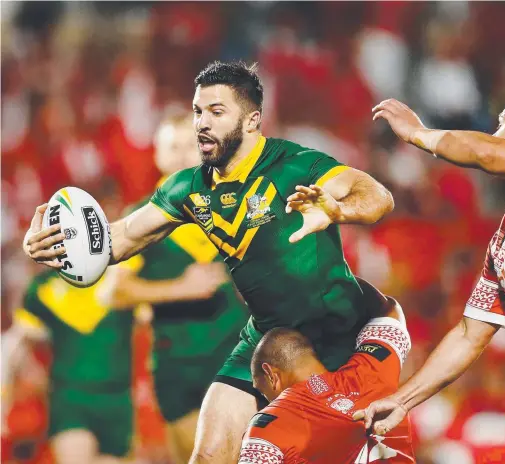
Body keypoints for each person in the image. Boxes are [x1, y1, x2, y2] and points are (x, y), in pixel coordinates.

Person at [23, 60, 395, 464]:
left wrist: (337, 212)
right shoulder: (188, 187)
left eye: (217, 112)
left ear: (252, 120)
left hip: (334, 339)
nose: (201, 123)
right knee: (209, 456)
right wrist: (56, 245)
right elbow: (121, 237)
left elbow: (376, 196)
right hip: (265, 339)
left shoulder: (295, 166)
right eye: (199, 111)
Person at [353, 92, 505, 463]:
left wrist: (419, 134)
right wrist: (402, 400)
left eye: (502, 123)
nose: (494, 131)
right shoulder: (502, 241)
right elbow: (470, 335)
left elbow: (485, 153)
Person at [100, 112, 249, 464]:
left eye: (193, 145)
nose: (183, 154)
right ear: (158, 156)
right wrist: (179, 288)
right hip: (177, 367)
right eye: (173, 146)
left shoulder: (236, 205)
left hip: (234, 356)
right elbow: (112, 292)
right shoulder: (140, 218)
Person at [239, 280, 415, 464]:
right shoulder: (372, 369)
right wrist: (329, 274)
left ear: (271, 374)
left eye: (262, 391)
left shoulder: (269, 425)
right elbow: (390, 311)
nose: (265, 402)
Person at [2, 270, 134, 464]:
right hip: (70, 398)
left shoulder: (125, 277)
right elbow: (21, 344)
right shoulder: (43, 287)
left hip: (118, 400)